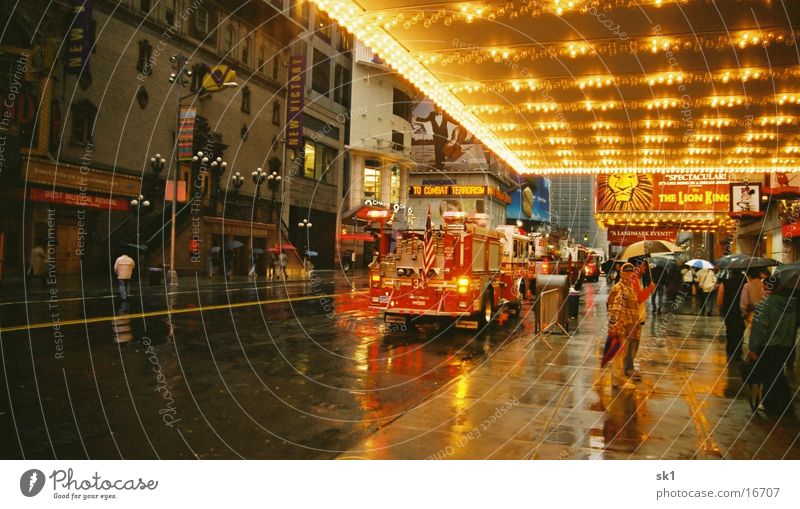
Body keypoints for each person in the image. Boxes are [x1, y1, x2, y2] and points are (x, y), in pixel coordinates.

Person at [748, 280, 796, 415]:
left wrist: (754, 348)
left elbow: (759, 329)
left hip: (768, 346)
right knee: (777, 373)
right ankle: (781, 404)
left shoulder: (764, 305)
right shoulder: (792, 305)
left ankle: (776, 405)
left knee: (770, 376)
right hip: (786, 345)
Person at [607, 263, 642, 390]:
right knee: (619, 354)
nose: (629, 274)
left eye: (631, 271)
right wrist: (615, 326)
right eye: (626, 271)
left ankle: (618, 379)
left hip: (630, 327)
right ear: (622, 273)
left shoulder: (630, 287)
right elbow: (614, 309)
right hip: (621, 327)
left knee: (622, 353)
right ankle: (618, 380)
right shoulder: (619, 288)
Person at [627, 260, 655, 380]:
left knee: (634, 345)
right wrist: (649, 289)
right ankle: (629, 369)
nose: (645, 267)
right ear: (637, 266)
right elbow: (639, 298)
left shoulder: (638, 279)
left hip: (638, 317)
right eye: (644, 264)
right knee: (631, 345)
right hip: (634, 319)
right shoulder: (634, 280)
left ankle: (629, 368)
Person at [717, 269, 747, 362]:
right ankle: (738, 350)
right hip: (740, 310)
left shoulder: (725, 283)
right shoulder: (744, 282)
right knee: (740, 329)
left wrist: (719, 307)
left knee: (730, 329)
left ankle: (730, 349)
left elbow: (720, 297)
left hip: (728, 309)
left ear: (731, 273)